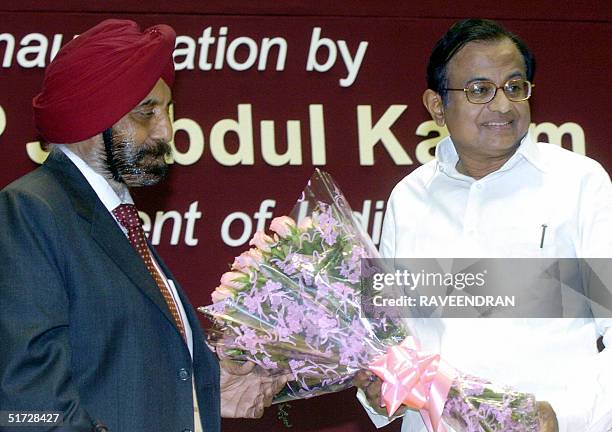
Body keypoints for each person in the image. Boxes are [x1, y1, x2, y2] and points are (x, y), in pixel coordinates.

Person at [0, 19, 287, 432]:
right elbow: (26, 406)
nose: (166, 130)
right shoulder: (30, 211)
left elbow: (116, 377)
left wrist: (208, 386)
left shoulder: (118, 220)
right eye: (146, 113)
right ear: (88, 114)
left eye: (167, 112)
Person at [356, 19, 612, 432]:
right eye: (479, 90)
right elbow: (393, 330)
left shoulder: (578, 184)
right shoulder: (409, 198)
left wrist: (564, 415)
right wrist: (381, 389)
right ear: (437, 105)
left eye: (514, 86)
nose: (503, 105)